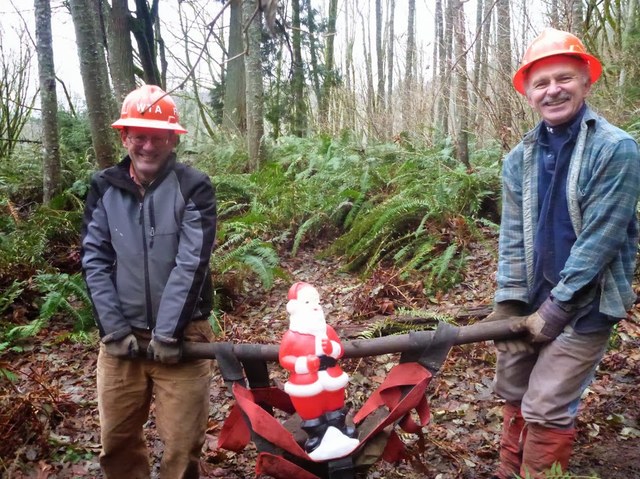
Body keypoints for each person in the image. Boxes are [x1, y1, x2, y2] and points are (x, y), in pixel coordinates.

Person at [482, 28, 640, 479]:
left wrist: (557, 309)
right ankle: (510, 471)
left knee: (546, 405)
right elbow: (512, 235)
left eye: (564, 78)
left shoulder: (617, 149)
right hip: (530, 297)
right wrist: (509, 302)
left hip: (587, 305)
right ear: (528, 94)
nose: (553, 90)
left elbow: (600, 241)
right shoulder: (520, 158)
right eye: (541, 83)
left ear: (586, 82)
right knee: (513, 391)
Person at [81, 84, 217, 479]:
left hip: (184, 335)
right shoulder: (104, 186)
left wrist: (170, 333)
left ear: (173, 139)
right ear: (124, 136)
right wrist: (113, 329)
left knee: (182, 447)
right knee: (117, 441)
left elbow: (191, 263)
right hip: (121, 337)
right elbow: (95, 258)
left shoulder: (194, 187)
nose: (148, 146)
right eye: (139, 135)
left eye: (158, 136)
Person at [279, 282, 360, 461]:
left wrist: (331, 347)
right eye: (308, 303)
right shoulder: (291, 336)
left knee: (335, 407)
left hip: (331, 376)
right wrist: (303, 363)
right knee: (312, 412)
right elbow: (284, 358)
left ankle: (339, 429)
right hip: (306, 383)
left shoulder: (327, 330)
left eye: (316, 301)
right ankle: (317, 437)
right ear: (296, 308)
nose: (315, 306)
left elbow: (339, 349)